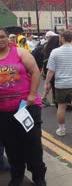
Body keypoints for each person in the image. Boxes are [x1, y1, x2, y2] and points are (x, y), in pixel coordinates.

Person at [0, 27, 47, 186]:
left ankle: (38, 177)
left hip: (26, 107)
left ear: (8, 38)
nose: (0, 40)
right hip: (3, 111)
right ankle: (17, 176)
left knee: (32, 144)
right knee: (11, 146)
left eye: (2, 37)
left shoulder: (20, 52)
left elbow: (35, 71)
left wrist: (32, 95)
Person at [44, 30, 72, 139]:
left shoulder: (55, 52)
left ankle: (61, 129)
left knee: (61, 106)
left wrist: (46, 83)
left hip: (60, 84)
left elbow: (50, 71)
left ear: (62, 38)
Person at [41, 36, 60, 106]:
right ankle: (53, 99)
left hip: (46, 68)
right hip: (52, 68)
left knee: (50, 83)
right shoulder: (56, 50)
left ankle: (44, 97)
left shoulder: (47, 48)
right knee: (52, 83)